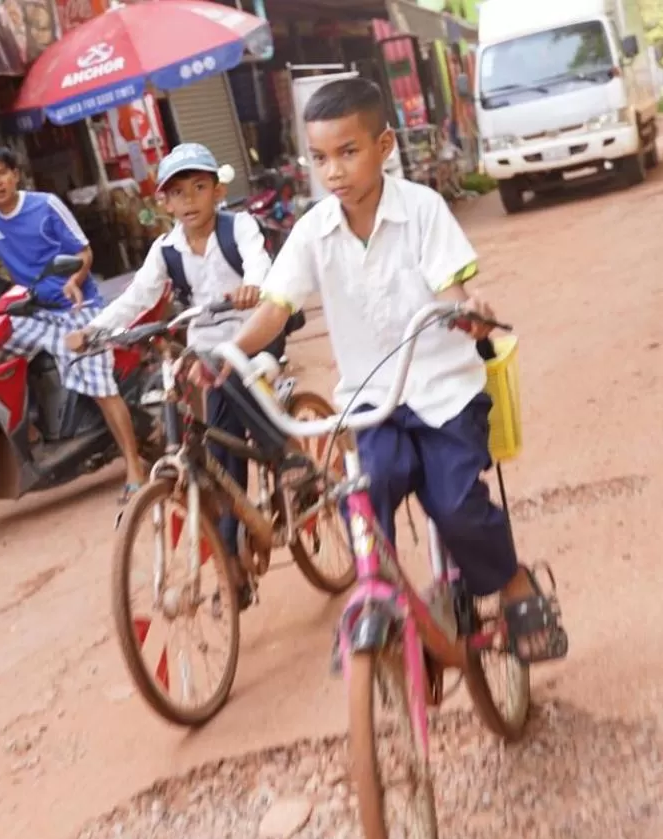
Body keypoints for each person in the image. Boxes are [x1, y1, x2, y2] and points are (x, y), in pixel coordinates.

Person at [223, 78, 567, 663]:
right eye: (320, 157)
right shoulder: (312, 231)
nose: (333, 170)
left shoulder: (422, 210)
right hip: (370, 399)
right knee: (364, 490)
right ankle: (377, 593)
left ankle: (513, 583)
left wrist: (468, 311)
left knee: (455, 503)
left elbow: (454, 287)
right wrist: (226, 353)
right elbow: (275, 307)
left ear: (384, 146)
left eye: (348, 152)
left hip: (444, 392)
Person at [66, 142, 274, 600]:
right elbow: (137, 298)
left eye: (199, 188)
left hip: (256, 332)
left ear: (217, 191)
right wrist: (94, 330)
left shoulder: (237, 226)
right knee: (219, 452)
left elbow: (258, 260)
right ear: (165, 203)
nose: (190, 201)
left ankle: (290, 462)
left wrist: (255, 286)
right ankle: (233, 563)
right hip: (206, 350)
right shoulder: (166, 250)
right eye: (178, 193)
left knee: (241, 391)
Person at [0, 145, 147, 499]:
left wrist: (74, 279)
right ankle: (33, 430)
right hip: (31, 310)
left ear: (15, 174)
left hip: (76, 308)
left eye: (1, 174)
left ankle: (133, 465)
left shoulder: (45, 206)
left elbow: (83, 251)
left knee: (97, 379)